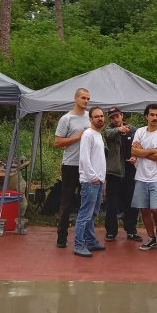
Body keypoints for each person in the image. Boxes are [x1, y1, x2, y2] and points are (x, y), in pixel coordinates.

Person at [53, 88, 91, 248]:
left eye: (88, 98)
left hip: (86, 166)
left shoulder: (91, 117)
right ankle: (61, 238)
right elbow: (57, 142)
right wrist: (77, 136)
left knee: (86, 202)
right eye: (83, 98)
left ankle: (84, 238)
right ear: (75, 99)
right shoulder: (66, 119)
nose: (86, 101)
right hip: (70, 165)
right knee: (67, 202)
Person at [131, 103, 157, 250]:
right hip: (141, 176)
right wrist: (152, 150)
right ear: (146, 116)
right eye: (152, 115)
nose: (154, 118)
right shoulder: (140, 132)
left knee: (156, 209)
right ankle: (151, 237)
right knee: (144, 210)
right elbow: (134, 152)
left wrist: (144, 151)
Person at [102, 106, 142, 242]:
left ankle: (131, 230)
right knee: (112, 202)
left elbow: (140, 145)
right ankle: (111, 231)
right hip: (114, 171)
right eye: (112, 117)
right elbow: (108, 134)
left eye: (117, 116)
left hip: (131, 170)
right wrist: (119, 129)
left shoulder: (134, 130)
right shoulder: (109, 130)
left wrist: (136, 157)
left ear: (122, 115)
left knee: (131, 201)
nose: (115, 119)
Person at [73, 107, 107, 257]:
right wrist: (93, 178)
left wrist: (102, 180)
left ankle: (90, 241)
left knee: (92, 214)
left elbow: (98, 159)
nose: (100, 118)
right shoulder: (88, 135)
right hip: (90, 181)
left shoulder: (98, 135)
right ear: (90, 119)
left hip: (98, 181)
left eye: (101, 116)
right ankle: (79, 245)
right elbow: (84, 159)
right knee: (85, 214)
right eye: (96, 116)